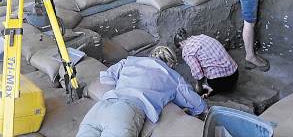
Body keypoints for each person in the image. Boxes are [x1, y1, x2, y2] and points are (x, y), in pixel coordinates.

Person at [76, 46, 207, 137]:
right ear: (171, 64)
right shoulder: (172, 75)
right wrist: (201, 111)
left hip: (101, 107)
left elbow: (106, 79)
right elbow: (195, 102)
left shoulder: (130, 61)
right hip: (125, 111)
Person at [174, 28, 238, 97]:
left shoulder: (187, 51)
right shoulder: (201, 37)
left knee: (203, 81)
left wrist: (199, 86)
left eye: (181, 47)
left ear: (181, 43)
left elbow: (197, 72)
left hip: (223, 81)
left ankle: (211, 89)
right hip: (235, 72)